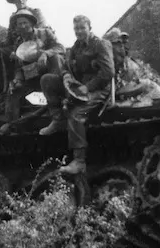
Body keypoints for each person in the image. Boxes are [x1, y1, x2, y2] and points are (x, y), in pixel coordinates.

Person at [39, 15, 114, 175]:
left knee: (76, 113)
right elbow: (66, 65)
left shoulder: (100, 44)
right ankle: (57, 119)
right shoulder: (76, 47)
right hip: (78, 86)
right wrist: (65, 74)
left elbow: (108, 72)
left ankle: (79, 161)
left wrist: (89, 87)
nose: (79, 32)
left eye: (82, 28)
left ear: (89, 28)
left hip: (99, 88)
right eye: (76, 29)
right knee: (47, 80)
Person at [0, 9, 65, 135]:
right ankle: (10, 125)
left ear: (31, 23)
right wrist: (17, 79)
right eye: (19, 24)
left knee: (56, 58)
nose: (23, 26)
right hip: (32, 74)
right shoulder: (19, 43)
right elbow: (19, 68)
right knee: (13, 90)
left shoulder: (45, 33)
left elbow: (60, 47)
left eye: (25, 22)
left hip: (50, 73)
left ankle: (57, 114)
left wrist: (45, 54)